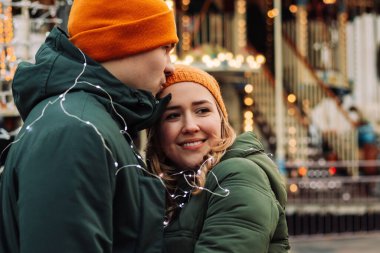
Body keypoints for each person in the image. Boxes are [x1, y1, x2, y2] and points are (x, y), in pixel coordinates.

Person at [0, 0, 178, 252]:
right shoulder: (76, 130)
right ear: (125, 43)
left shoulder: (86, 121)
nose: (171, 66)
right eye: (166, 48)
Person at [146, 65, 290, 253]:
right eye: (173, 115)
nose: (190, 126)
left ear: (221, 118)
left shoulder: (239, 176)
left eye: (202, 110)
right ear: (157, 131)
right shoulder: (172, 188)